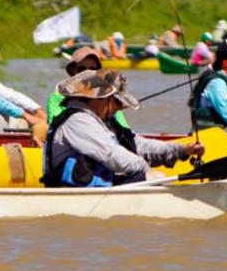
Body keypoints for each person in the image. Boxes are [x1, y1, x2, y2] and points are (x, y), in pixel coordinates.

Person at [44, 69, 204, 187]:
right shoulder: (78, 121)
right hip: (73, 192)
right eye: (117, 102)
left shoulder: (103, 121)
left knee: (155, 176)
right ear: (100, 98)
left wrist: (181, 150)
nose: (120, 108)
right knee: (154, 177)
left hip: (99, 187)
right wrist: (146, 171)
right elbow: (112, 155)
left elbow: (139, 145)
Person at [46, 46, 130, 126]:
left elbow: (124, 127)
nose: (87, 74)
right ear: (73, 71)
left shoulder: (108, 98)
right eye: (82, 69)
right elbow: (57, 126)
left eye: (92, 69)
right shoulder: (56, 97)